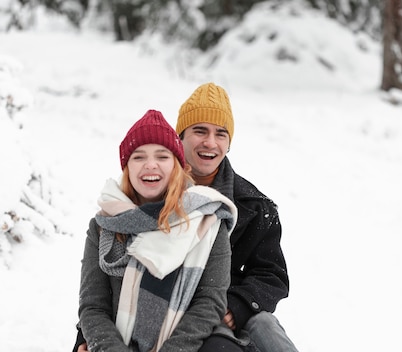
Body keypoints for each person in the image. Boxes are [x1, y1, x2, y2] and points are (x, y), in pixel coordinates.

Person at [75, 109, 237, 352]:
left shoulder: (208, 220)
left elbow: (209, 302)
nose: (150, 165)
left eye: (162, 156)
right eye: (139, 157)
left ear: (176, 166)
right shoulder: (103, 225)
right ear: (127, 167)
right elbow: (93, 306)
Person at [174, 82, 298, 352]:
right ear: (180, 136)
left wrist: (239, 306)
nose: (210, 142)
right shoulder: (153, 191)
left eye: (221, 134)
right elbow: (113, 271)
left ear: (229, 143)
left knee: (266, 326)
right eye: (200, 131)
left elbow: (271, 275)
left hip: (227, 306)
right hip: (169, 305)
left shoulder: (253, 205)